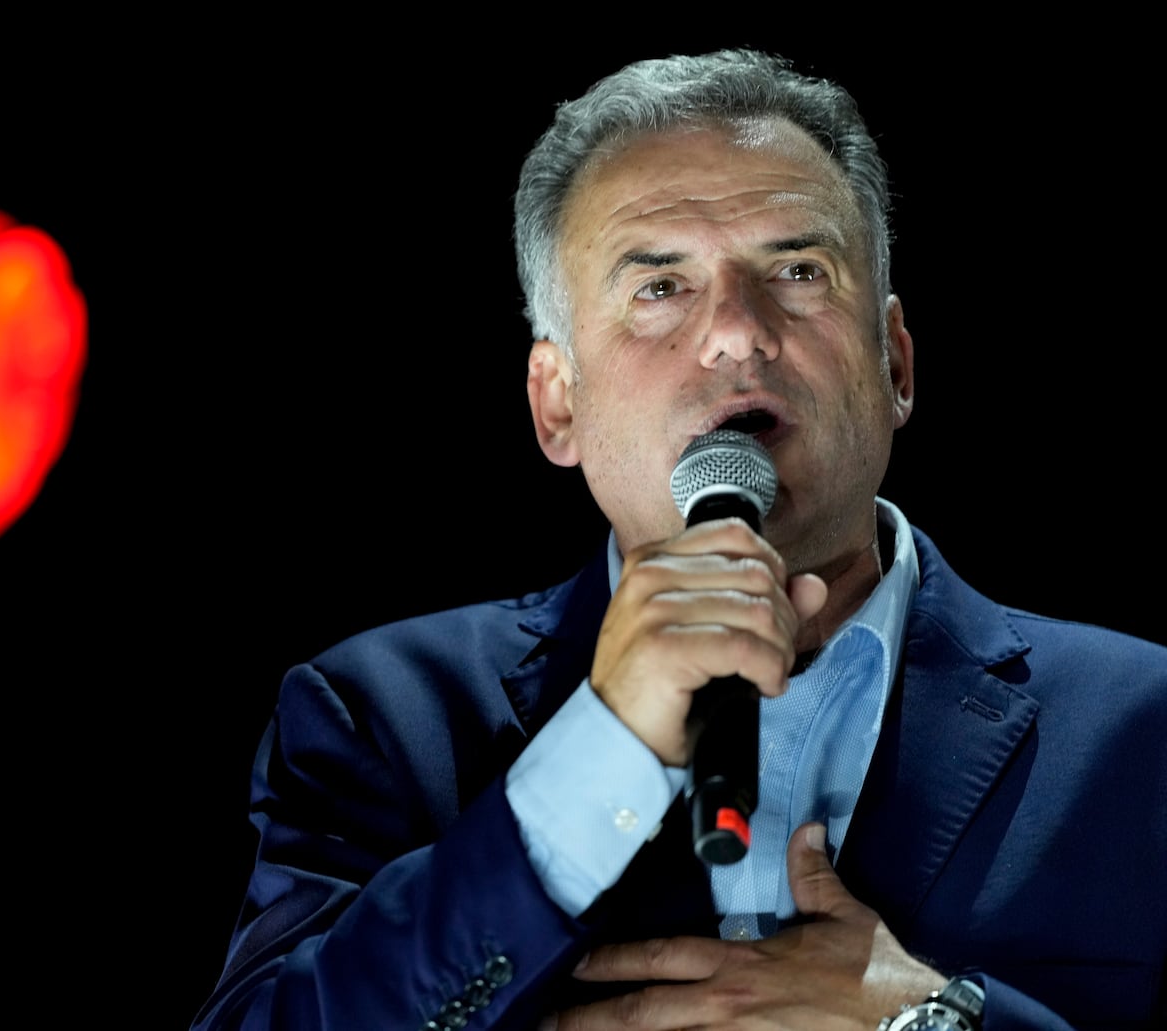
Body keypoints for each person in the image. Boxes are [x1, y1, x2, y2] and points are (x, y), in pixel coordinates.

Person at [190, 50, 1167, 1030]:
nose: (738, 333)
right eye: (658, 287)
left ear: (895, 362)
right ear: (556, 403)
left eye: (797, 271)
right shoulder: (382, 717)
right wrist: (603, 744)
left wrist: (928, 1020)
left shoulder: (1141, 724)